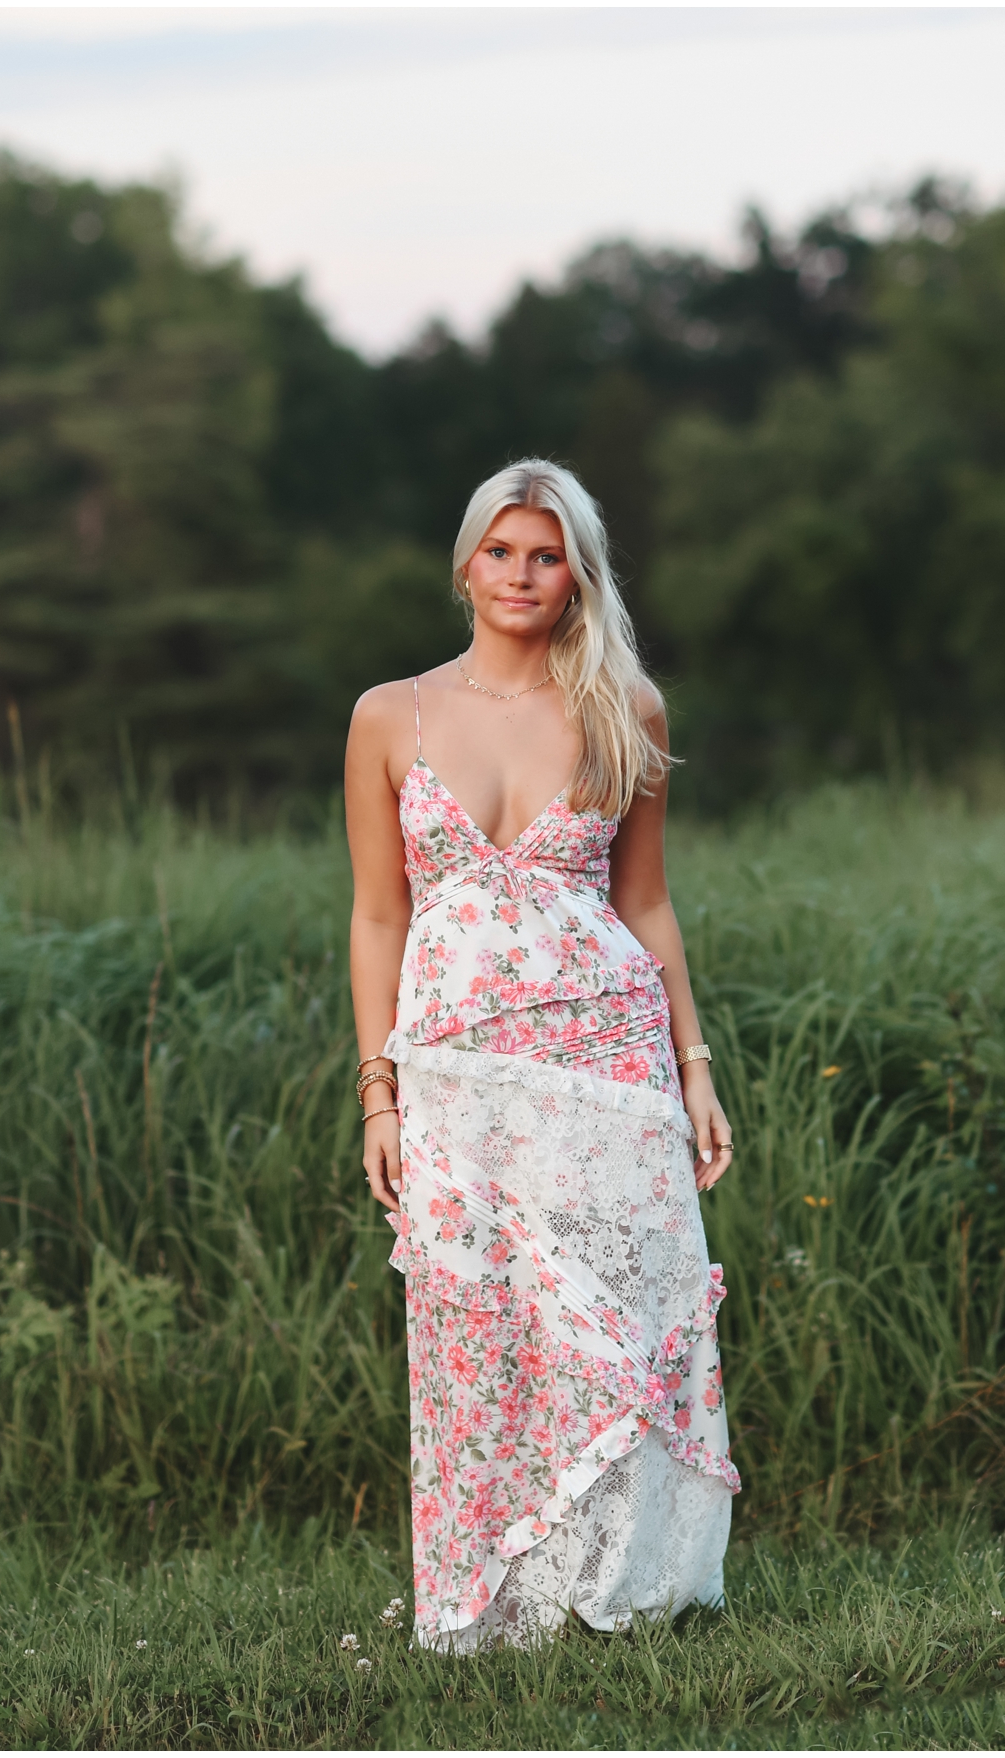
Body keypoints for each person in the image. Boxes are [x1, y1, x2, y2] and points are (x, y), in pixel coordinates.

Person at [345, 458, 739, 1651]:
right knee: (480, 1318)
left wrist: (695, 1066)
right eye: (501, 550)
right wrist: (380, 1092)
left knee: (622, 1306)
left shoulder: (628, 706)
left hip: (606, 1051)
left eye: (548, 553)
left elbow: (649, 906)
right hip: (457, 1068)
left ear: (580, 574)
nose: (522, 574)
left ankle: (627, 1589)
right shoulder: (388, 714)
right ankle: (496, 1600)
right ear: (465, 563)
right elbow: (377, 915)